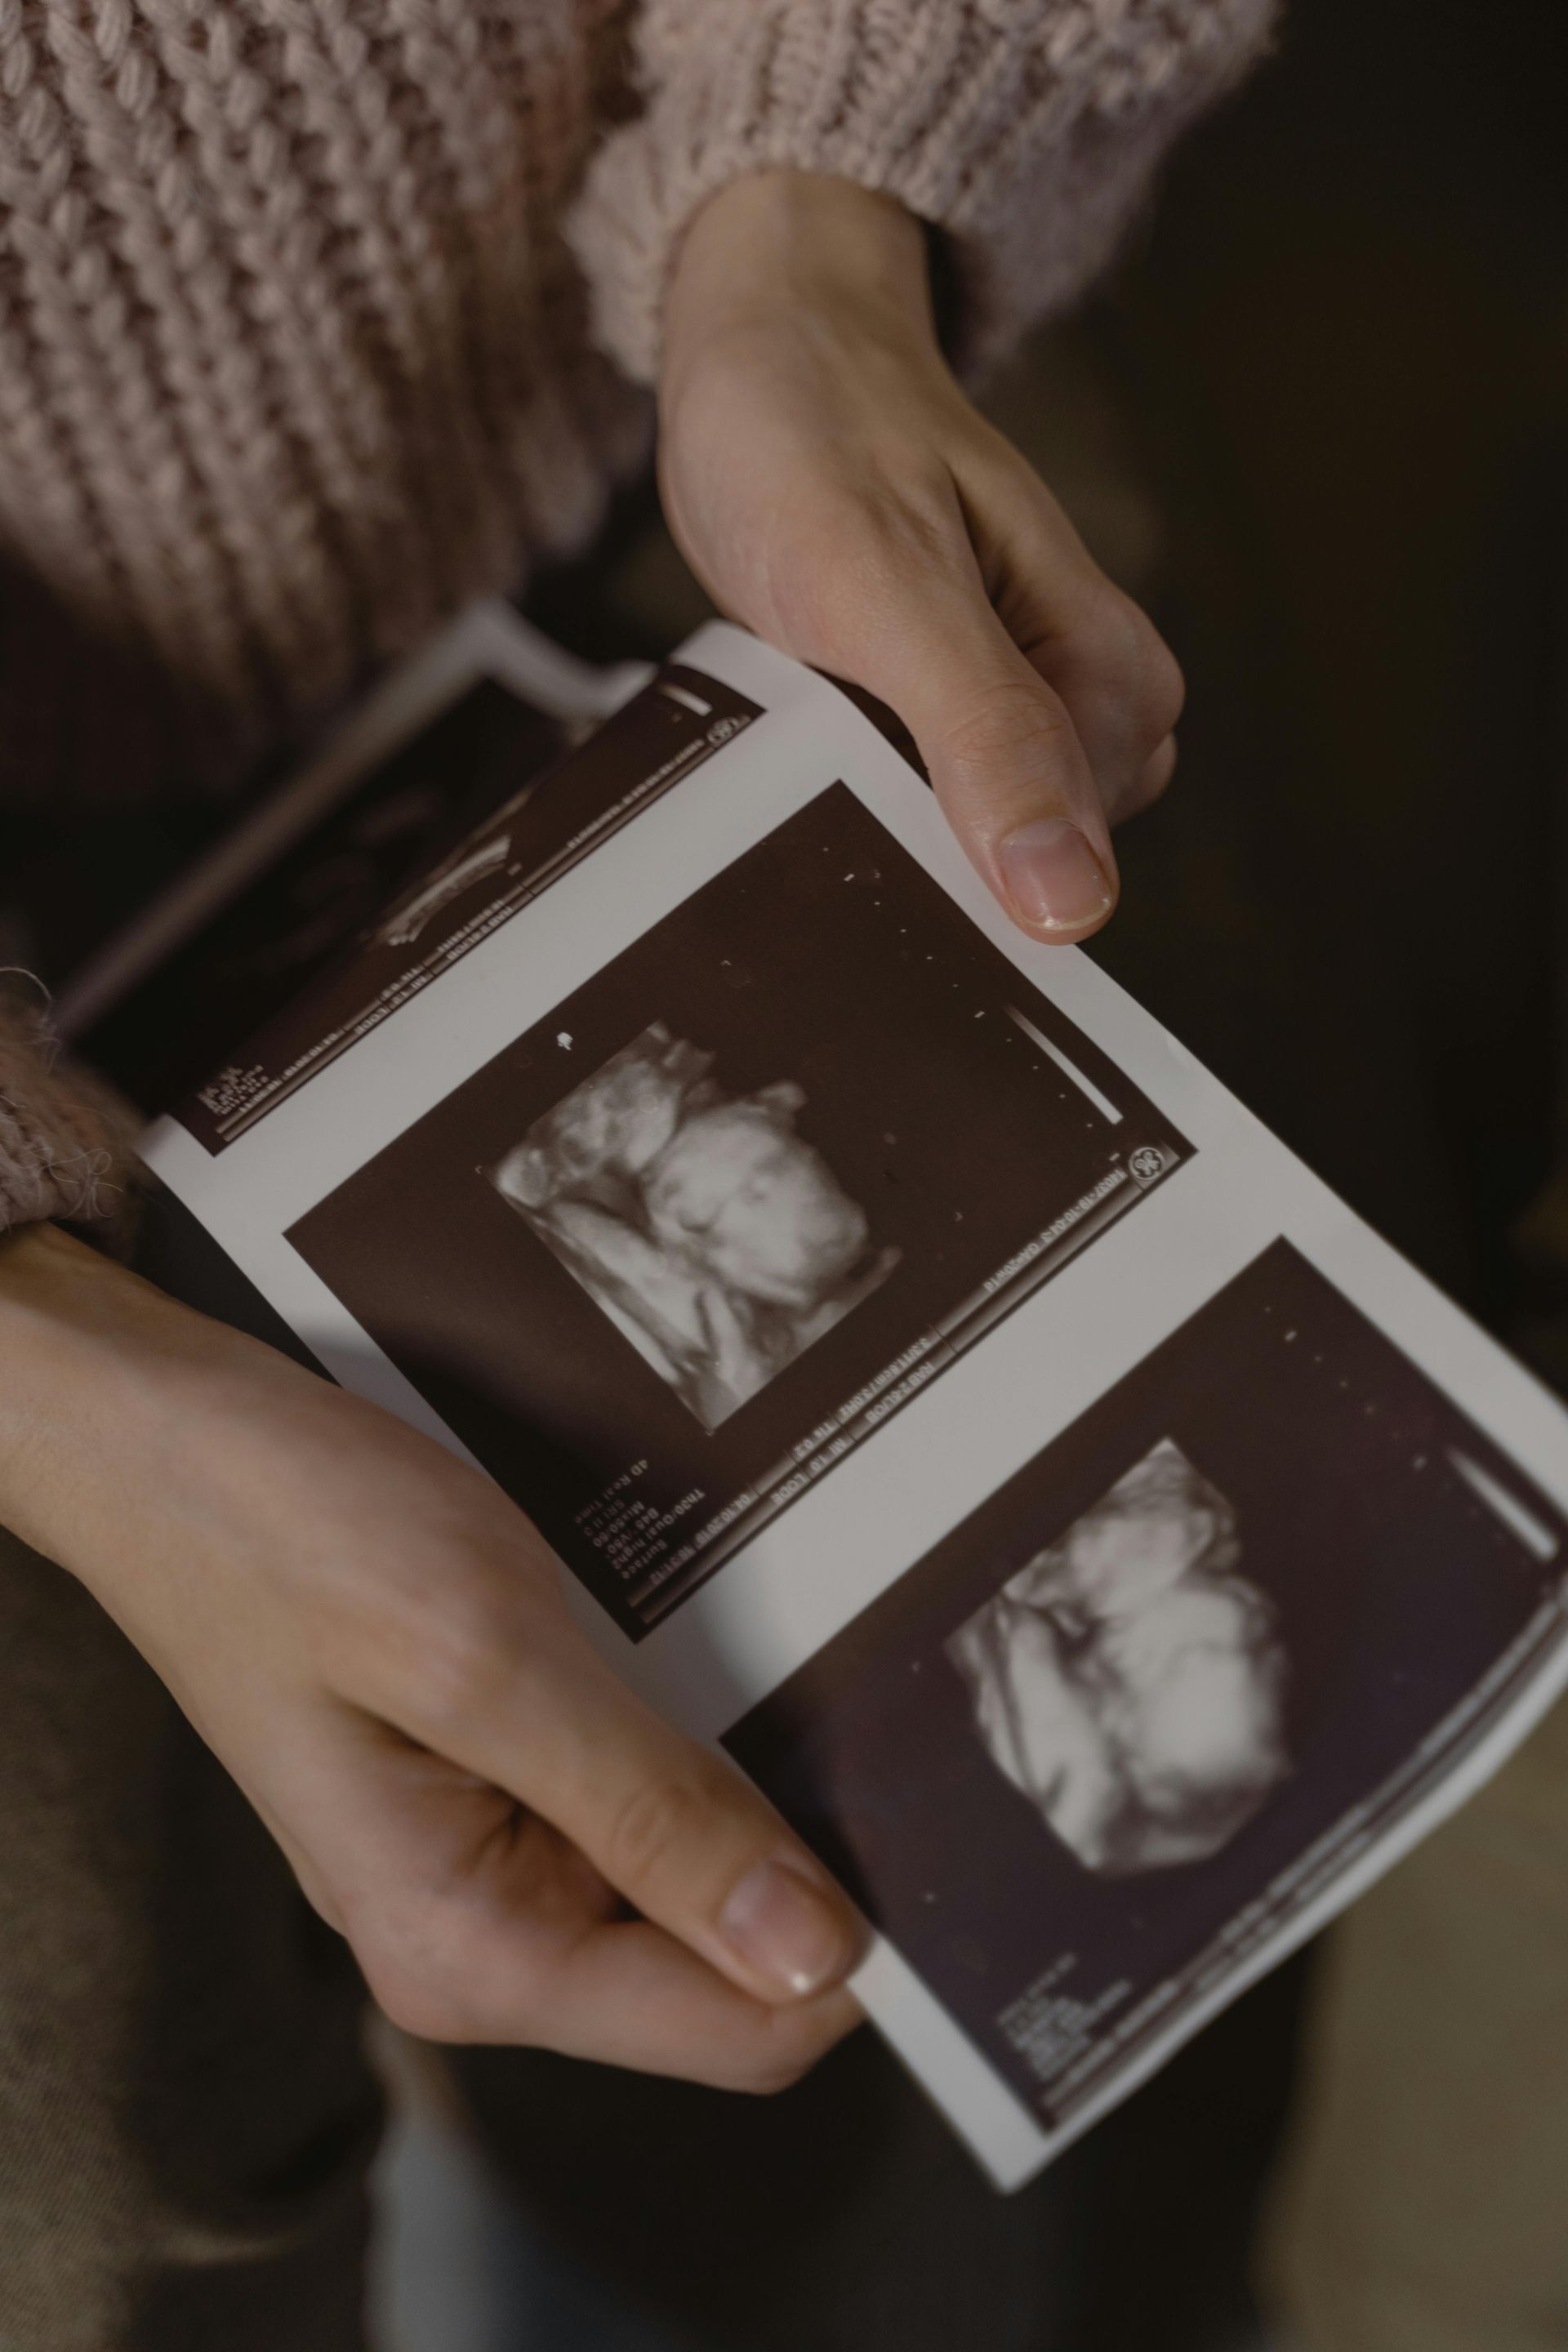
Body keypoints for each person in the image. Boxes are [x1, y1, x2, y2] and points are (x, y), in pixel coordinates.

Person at [0, 4, 1277, 2344]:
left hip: (714, 331)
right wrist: (53, 1385)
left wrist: (814, 208)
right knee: (76, 2104)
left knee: (1001, 1872)